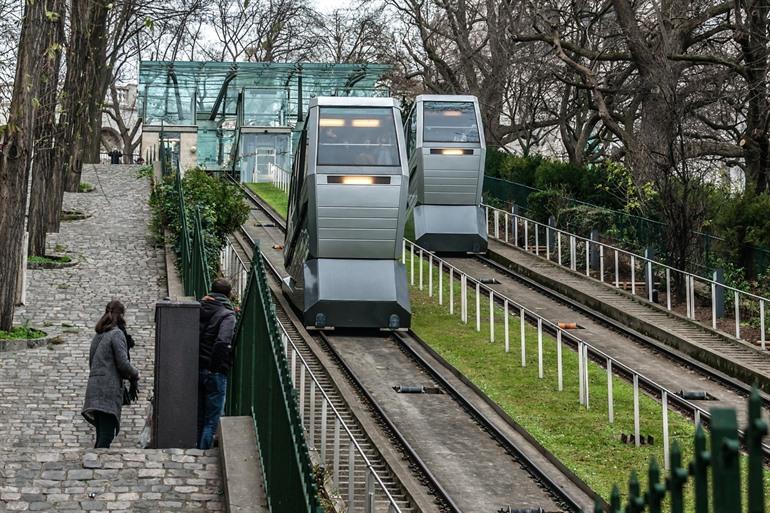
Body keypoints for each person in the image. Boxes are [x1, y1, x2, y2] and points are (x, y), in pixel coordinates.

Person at [82, 300, 140, 448]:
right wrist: (135, 374)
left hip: (95, 388)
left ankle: (94, 461)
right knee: (106, 436)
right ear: (121, 315)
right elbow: (123, 363)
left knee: (102, 434)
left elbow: (92, 363)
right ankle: (94, 465)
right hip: (107, 390)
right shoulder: (116, 334)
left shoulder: (99, 335)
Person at [197, 278, 237, 450]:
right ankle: (202, 452)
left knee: (198, 414)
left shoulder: (199, 307)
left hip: (196, 367)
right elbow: (222, 342)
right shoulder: (227, 316)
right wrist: (215, 367)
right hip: (214, 371)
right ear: (228, 295)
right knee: (212, 419)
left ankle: (194, 446)